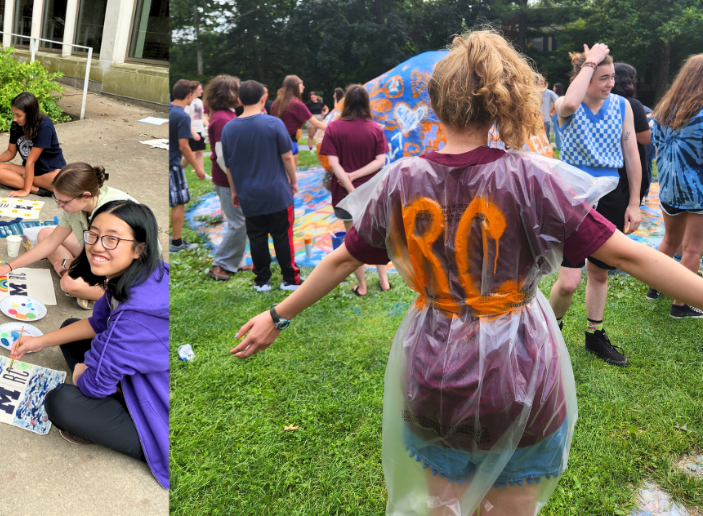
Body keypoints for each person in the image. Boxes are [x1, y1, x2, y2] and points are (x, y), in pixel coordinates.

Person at [230, 29, 703, 515]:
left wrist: (277, 315)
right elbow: (630, 256)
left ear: (435, 102)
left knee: (442, 506)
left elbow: (342, 258)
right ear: (509, 99)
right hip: (520, 369)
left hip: (432, 369)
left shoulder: (401, 179)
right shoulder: (532, 178)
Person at [11, 200, 169, 488]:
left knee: (61, 402)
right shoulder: (136, 276)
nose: (97, 246)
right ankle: (113, 391)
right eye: (93, 235)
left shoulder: (134, 314)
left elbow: (94, 385)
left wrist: (82, 372)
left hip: (161, 416)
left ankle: (136, 435)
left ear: (139, 248)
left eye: (112, 239)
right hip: (145, 376)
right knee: (71, 328)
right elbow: (97, 324)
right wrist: (39, 342)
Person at [549, 44, 642, 365]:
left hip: (612, 197)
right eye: (603, 78)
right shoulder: (565, 104)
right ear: (584, 77)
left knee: (599, 273)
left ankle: (594, 335)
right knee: (569, 281)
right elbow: (571, 101)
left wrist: (634, 202)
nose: (610, 84)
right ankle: (549, 333)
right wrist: (589, 62)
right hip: (575, 200)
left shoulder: (621, 106)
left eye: (612, 77)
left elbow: (631, 155)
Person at [0, 163, 136, 310]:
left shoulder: (111, 213)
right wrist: (9, 267)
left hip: (124, 270)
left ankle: (112, 295)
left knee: (69, 283)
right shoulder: (80, 204)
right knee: (45, 234)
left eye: (64, 202)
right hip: (95, 254)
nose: (59, 205)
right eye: (56, 199)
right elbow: (50, 242)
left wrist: (69, 263)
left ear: (85, 196)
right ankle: (85, 285)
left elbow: (116, 260)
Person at [222, 80, 302, 291]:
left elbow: (229, 165)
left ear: (239, 100)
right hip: (277, 193)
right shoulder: (274, 123)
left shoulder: (229, 128)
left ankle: (262, 281)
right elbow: (287, 156)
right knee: (283, 236)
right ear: (263, 98)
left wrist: (234, 191)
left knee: (256, 238)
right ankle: (289, 279)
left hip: (249, 194)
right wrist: (293, 181)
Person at [319, 84, 390, 294]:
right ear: (366, 103)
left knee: (353, 240)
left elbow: (333, 163)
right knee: (377, 235)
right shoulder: (375, 128)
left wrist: (350, 186)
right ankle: (384, 280)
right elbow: (380, 161)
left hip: (344, 194)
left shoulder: (333, 128)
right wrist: (357, 178)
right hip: (371, 192)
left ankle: (362, 286)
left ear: (346, 102)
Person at [649, 53, 703, 317]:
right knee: (693, 248)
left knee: (670, 240)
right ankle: (681, 305)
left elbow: (654, 141)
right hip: (697, 190)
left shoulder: (664, 109)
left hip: (668, 184)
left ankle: (654, 287)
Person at [203, 75, 247, 281]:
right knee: (238, 223)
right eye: (237, 90)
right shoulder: (221, 119)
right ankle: (219, 265)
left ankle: (236, 262)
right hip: (228, 180)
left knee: (242, 221)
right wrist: (235, 181)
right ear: (228, 94)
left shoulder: (227, 115)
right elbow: (222, 157)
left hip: (234, 178)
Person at [0, 92, 66, 198]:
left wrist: (25, 190)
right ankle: (38, 190)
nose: (15, 119)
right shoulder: (16, 125)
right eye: (14, 114)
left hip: (50, 171)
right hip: (29, 169)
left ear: (30, 114)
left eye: (18, 115)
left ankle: (20, 181)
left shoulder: (44, 126)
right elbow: (10, 152)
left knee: (59, 181)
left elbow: (31, 161)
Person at [169, 79, 205, 253]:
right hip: (173, 165)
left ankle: (174, 238)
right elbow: (184, 146)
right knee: (179, 203)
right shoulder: (182, 115)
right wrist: (198, 168)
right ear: (189, 95)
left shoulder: (168, 109)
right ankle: (177, 243)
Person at [613, 62, 652, 202]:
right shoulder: (632, 104)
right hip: (629, 169)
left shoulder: (603, 102)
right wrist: (653, 127)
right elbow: (644, 138)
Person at [271, 75, 328, 167]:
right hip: (291, 143)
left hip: (277, 142)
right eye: (302, 85)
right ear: (296, 86)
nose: (303, 87)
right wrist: (335, 129)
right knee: (291, 175)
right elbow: (316, 123)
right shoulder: (296, 104)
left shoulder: (277, 103)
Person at [182, 81, 208, 176]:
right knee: (191, 153)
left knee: (200, 152)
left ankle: (201, 173)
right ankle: (181, 169)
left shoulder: (199, 102)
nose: (202, 91)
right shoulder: (188, 102)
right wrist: (193, 132)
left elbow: (202, 116)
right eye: (200, 89)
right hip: (191, 131)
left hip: (200, 130)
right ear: (194, 90)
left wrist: (208, 126)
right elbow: (187, 119)